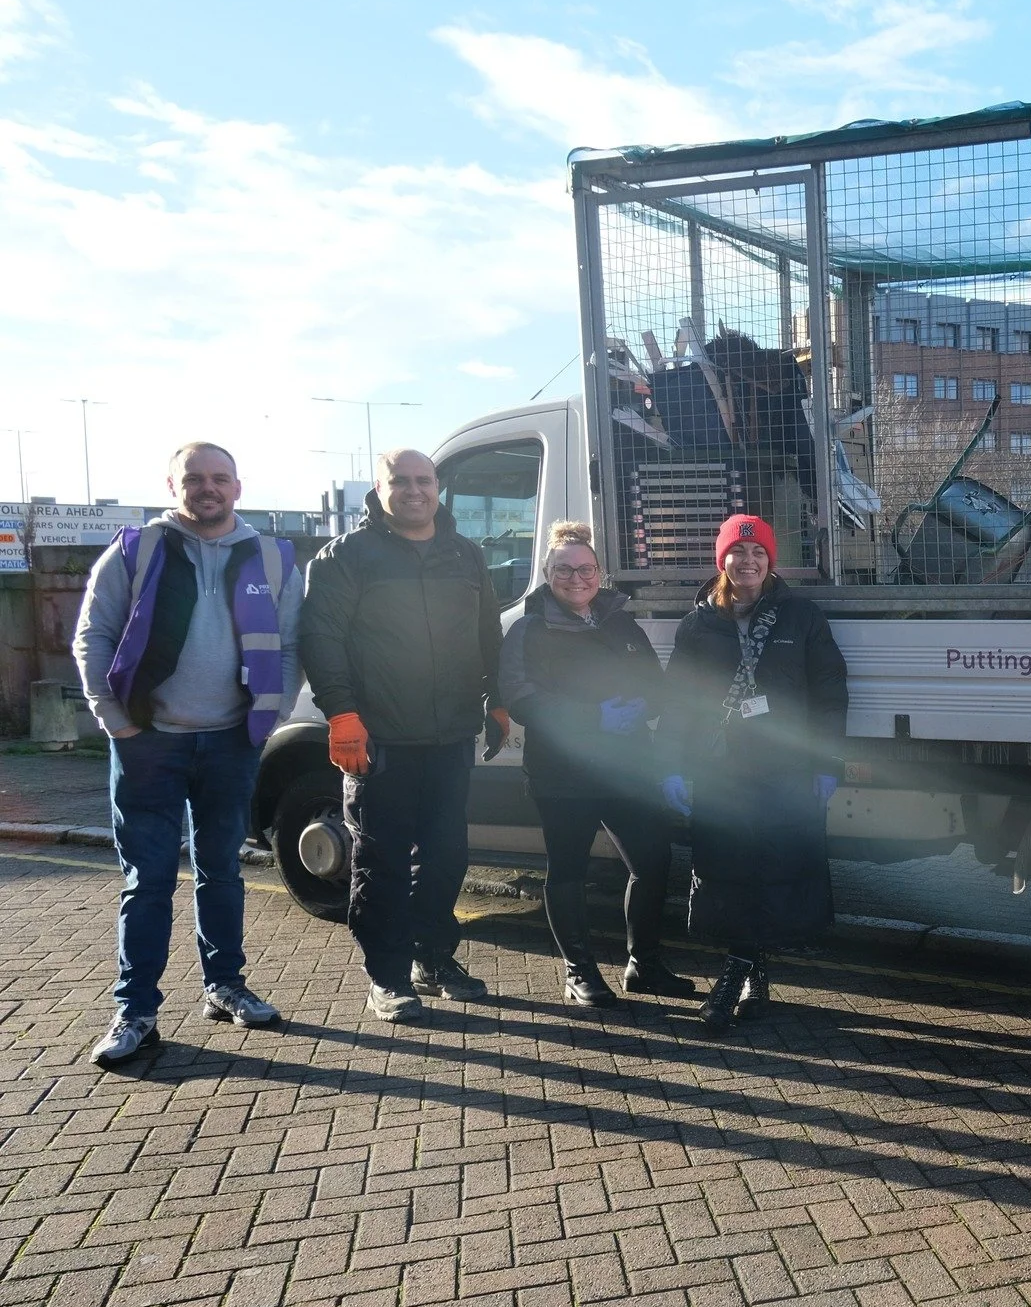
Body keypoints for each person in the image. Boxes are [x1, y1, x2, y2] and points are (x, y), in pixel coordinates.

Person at [72, 443, 301, 1066]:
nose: (208, 488)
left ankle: (225, 987)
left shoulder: (273, 557)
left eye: (219, 478)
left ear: (237, 487)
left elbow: (288, 645)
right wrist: (114, 719)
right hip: (148, 742)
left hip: (231, 740)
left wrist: (271, 718)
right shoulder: (136, 549)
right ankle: (136, 1011)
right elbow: (93, 633)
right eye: (195, 478)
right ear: (172, 484)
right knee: (147, 881)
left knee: (222, 872)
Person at [299, 448, 503, 1022]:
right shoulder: (347, 555)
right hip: (378, 739)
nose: (415, 491)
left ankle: (434, 959)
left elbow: (489, 632)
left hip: (451, 735)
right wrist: (341, 714)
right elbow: (323, 640)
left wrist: (499, 698)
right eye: (401, 481)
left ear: (438, 486)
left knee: (447, 857)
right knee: (380, 862)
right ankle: (387, 977)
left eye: (424, 480)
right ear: (380, 488)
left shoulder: (465, 554)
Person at [658, 514, 848, 1032]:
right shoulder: (699, 624)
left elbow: (830, 693)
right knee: (729, 869)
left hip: (784, 768)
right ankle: (753, 974)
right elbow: (678, 701)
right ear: (722, 560)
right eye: (737, 554)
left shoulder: (801, 617)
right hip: (720, 768)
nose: (747, 562)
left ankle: (733, 978)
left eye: (757, 553)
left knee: (772, 869)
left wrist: (828, 761)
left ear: (770, 560)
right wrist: (672, 765)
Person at [497, 521, 697, 1007]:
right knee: (568, 869)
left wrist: (641, 705)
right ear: (547, 572)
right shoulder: (527, 629)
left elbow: (656, 682)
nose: (576, 578)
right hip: (563, 774)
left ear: (600, 573)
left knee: (652, 862)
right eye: (564, 569)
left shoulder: (621, 623)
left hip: (628, 767)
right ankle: (579, 971)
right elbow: (519, 696)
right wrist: (594, 717)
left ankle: (643, 964)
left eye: (586, 569)